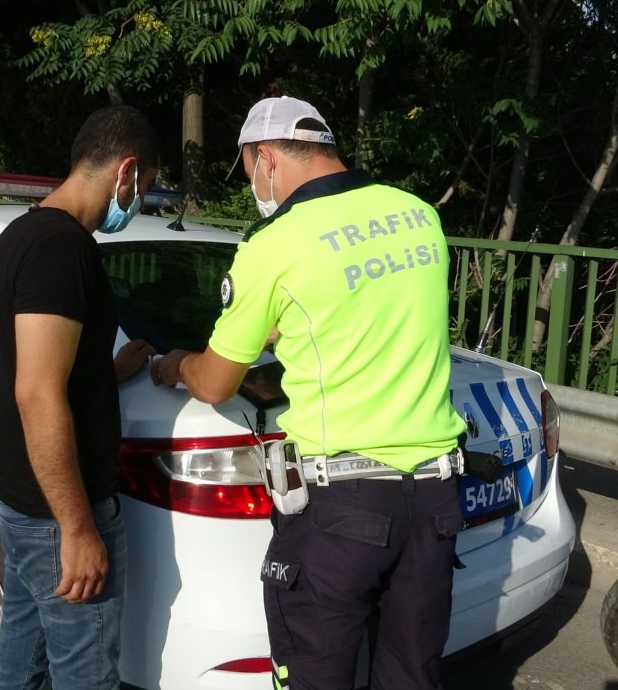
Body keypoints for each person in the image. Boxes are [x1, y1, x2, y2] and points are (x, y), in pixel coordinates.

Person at [150, 96, 468, 689]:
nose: (254, 186)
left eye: (248, 171)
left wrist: (176, 364)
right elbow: (371, 308)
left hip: (341, 511)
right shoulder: (418, 214)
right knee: (411, 677)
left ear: (266, 157)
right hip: (435, 503)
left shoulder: (274, 244)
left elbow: (217, 381)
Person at [0, 104, 159, 690]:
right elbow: (36, 391)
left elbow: (41, 367)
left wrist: (109, 372)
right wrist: (78, 529)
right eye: (145, 189)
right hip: (58, 511)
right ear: (126, 172)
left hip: (19, 497)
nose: (138, 205)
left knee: (22, 660)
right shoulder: (64, 249)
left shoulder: (20, 235)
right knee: (84, 675)